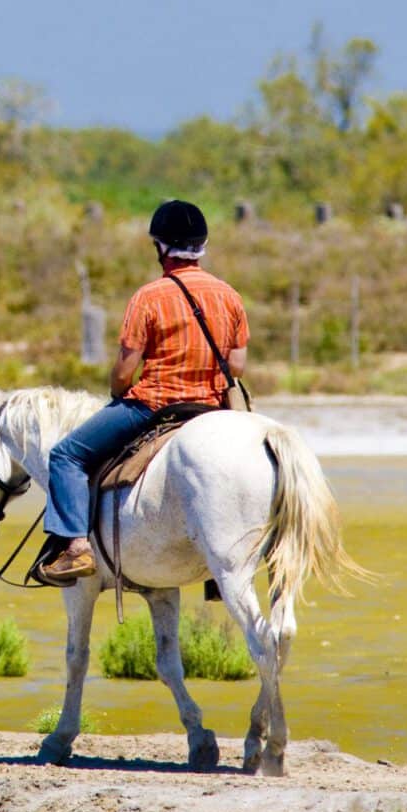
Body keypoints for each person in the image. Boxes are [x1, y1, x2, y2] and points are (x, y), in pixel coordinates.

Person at [35, 200, 250, 585]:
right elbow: (236, 365)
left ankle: (76, 550)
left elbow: (123, 371)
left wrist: (121, 391)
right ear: (201, 246)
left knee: (66, 455)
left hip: (155, 404)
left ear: (161, 248)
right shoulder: (229, 295)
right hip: (211, 409)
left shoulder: (149, 297)